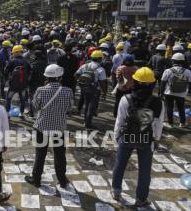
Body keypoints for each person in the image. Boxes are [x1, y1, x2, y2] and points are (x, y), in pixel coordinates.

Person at [112, 67, 163, 207]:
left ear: (135, 81)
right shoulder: (158, 102)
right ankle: (141, 199)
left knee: (120, 164)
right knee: (145, 170)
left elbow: (120, 120)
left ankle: (116, 191)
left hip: (127, 137)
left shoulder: (126, 99)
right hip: (146, 139)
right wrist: (156, 140)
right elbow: (158, 124)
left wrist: (117, 136)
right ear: (152, 84)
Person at [25, 64, 73, 189]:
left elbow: (35, 107)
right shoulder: (68, 91)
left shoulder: (41, 90)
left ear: (46, 77)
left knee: (40, 154)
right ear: (59, 77)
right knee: (60, 155)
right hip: (59, 127)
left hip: (42, 126)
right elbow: (69, 108)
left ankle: (36, 179)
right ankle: (62, 180)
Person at [76, 50, 107, 129]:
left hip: (84, 88)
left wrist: (81, 82)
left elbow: (76, 74)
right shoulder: (101, 69)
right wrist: (104, 92)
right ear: (100, 59)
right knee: (91, 106)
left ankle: (85, 120)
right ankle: (88, 123)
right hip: (94, 89)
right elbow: (103, 82)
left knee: (86, 104)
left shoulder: (85, 65)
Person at [160, 53, 191, 128]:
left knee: (169, 108)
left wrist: (161, 93)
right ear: (182, 61)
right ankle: (182, 123)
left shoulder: (168, 71)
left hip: (169, 92)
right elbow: (190, 83)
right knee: (181, 108)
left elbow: (163, 83)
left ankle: (170, 123)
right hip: (182, 93)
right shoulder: (188, 71)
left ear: (173, 61)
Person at [4, 45, 31, 119]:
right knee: (22, 100)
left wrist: (8, 79)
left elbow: (5, 71)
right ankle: (21, 114)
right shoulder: (26, 61)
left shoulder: (12, 61)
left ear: (15, 52)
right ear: (21, 52)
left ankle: (7, 114)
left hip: (13, 85)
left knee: (8, 99)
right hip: (23, 85)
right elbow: (29, 72)